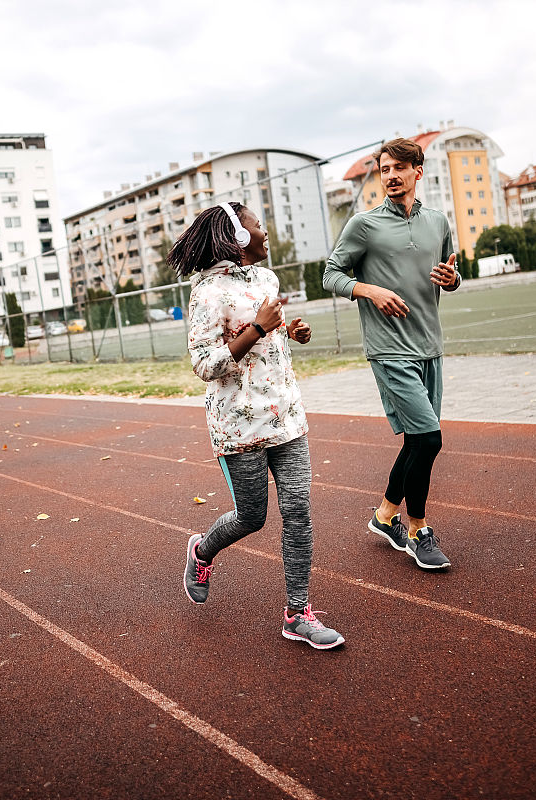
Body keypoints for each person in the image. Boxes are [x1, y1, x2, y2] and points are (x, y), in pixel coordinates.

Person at [169, 201, 344, 650]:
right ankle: (202, 550)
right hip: (239, 428)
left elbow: (271, 337)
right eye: (257, 225)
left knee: (299, 513)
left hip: (287, 418)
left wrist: (291, 332)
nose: (265, 232)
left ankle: (298, 613)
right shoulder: (207, 293)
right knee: (252, 517)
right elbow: (206, 366)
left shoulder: (267, 279)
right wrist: (258, 331)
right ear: (239, 236)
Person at [323, 137, 461, 570]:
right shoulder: (364, 225)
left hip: (429, 346)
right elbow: (330, 274)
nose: (392, 176)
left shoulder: (438, 222)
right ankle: (418, 529)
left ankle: (385, 516)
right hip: (389, 349)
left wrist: (452, 280)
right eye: (385, 169)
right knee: (430, 439)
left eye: (400, 168)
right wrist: (369, 290)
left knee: (418, 441)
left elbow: (450, 273)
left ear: (418, 172)